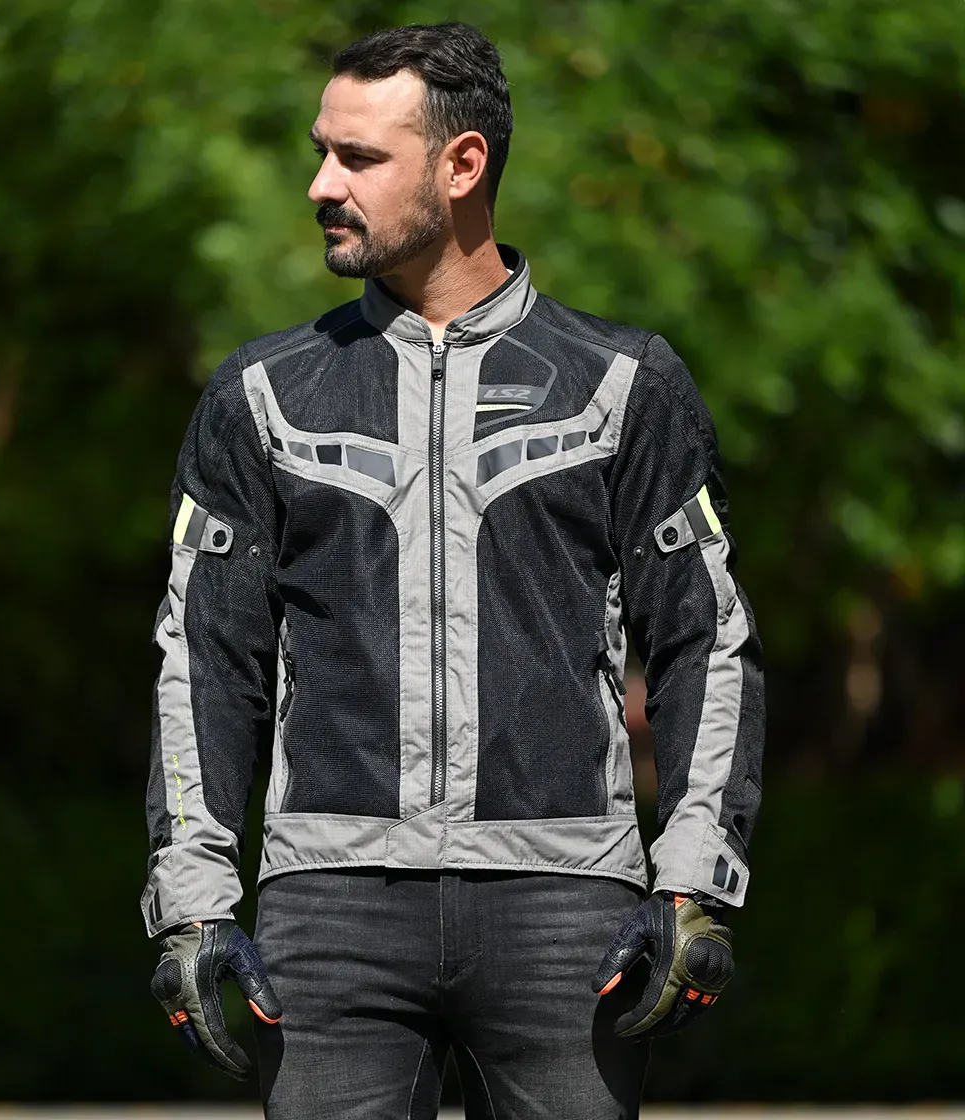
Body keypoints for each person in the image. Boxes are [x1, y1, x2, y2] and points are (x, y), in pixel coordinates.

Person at [143, 21, 764, 1120]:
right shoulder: (259, 395)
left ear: (462, 164)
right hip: (327, 911)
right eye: (322, 152)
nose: (320, 185)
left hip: (567, 910)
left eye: (358, 158)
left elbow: (704, 639)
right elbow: (203, 657)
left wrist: (693, 883)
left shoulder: (625, 383)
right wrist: (191, 901)